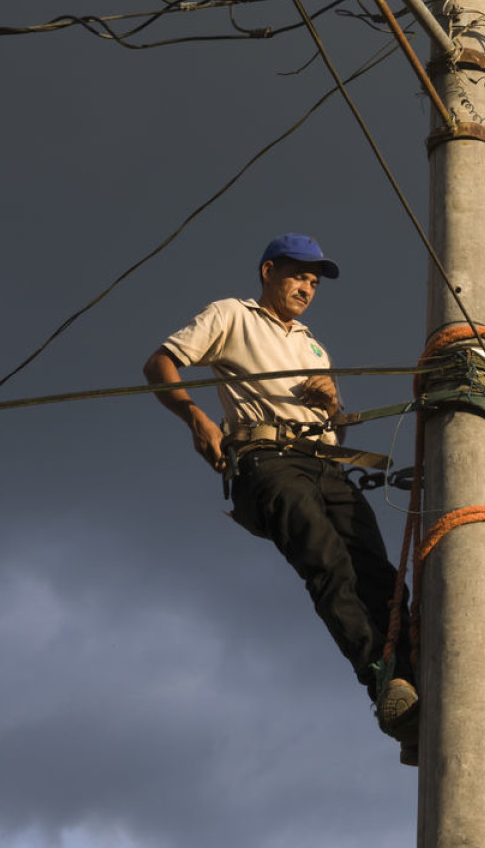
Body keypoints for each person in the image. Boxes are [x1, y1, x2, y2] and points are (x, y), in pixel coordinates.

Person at [143, 232, 418, 762]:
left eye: (314, 281)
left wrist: (333, 400)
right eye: (299, 275)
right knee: (328, 564)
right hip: (267, 460)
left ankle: (410, 687)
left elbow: (333, 420)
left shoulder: (313, 344)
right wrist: (195, 417)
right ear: (269, 271)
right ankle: (382, 681)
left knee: (382, 578)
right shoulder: (232, 315)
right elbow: (159, 363)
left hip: (325, 463)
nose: (307, 288)